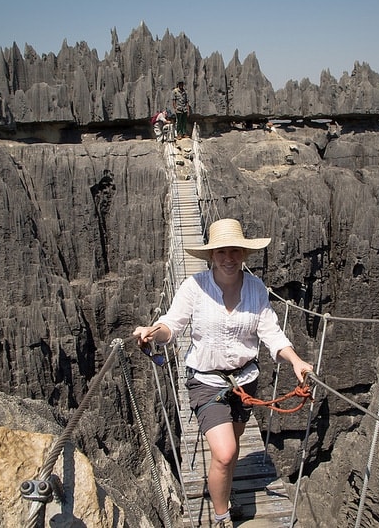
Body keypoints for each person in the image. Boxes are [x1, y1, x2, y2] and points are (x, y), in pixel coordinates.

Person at [133, 218, 313, 528]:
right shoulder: (194, 286)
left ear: (244, 254)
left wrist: (295, 360)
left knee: (232, 445)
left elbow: (272, 334)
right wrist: (153, 331)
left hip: (245, 382)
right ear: (211, 256)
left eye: (235, 251)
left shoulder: (256, 289)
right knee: (226, 452)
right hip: (206, 381)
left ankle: (223, 494)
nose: (228, 258)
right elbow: (171, 326)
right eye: (221, 252)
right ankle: (221, 517)